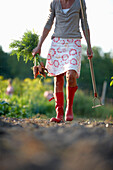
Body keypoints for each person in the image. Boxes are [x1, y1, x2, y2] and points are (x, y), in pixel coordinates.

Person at [32, 0, 93, 122]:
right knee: (58, 79)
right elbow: (48, 24)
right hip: (57, 43)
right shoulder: (55, 3)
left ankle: (69, 108)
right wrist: (39, 45)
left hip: (74, 42)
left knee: (71, 75)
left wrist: (89, 46)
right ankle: (59, 113)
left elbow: (85, 24)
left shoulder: (80, 2)